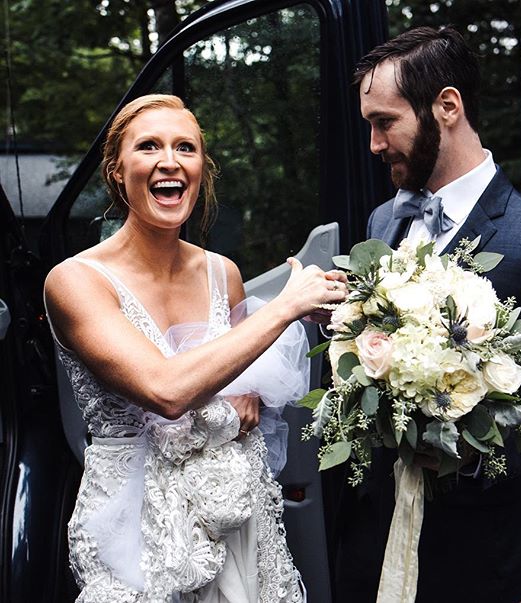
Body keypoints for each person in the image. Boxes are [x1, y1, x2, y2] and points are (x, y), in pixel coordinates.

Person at [43, 93, 347, 602]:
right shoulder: (74, 281)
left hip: (233, 518)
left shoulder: (221, 273)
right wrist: (284, 308)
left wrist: (251, 389)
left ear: (201, 168)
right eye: (149, 147)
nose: (170, 161)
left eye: (185, 147)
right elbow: (166, 389)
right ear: (118, 171)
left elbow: (237, 381)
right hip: (136, 530)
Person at [330, 26, 521, 603]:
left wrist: (469, 448)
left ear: (447, 106)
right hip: (369, 536)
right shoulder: (382, 223)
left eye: (384, 122)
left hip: (473, 549)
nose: (374, 144)